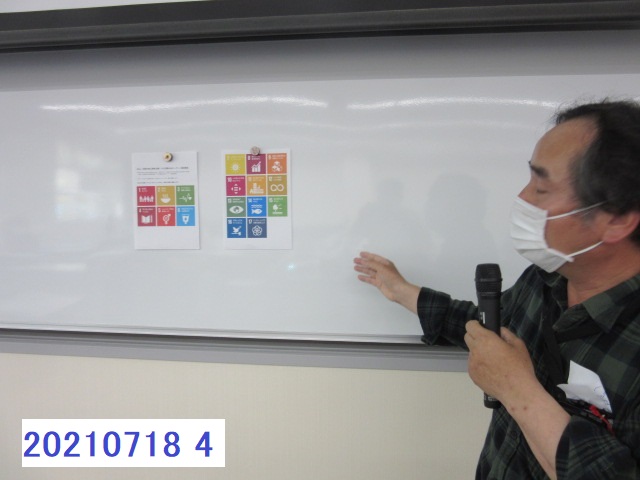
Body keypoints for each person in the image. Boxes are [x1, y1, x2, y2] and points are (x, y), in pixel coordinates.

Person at [353, 100, 640, 480]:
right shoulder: (545, 279)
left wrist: (517, 389)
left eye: (541, 187)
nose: (522, 199)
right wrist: (403, 291)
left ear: (616, 220)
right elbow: (490, 330)